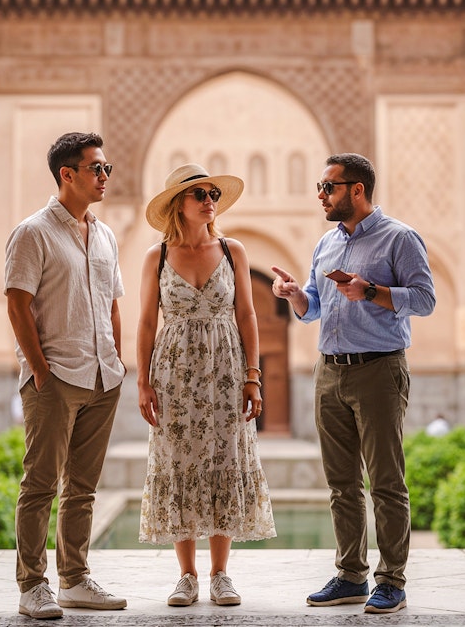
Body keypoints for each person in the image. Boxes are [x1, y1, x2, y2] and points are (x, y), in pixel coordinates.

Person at [271, 153, 435, 614]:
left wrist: (371, 292)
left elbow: (425, 299)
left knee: (385, 481)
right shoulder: (326, 244)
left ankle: (392, 581)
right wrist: (294, 297)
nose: (320, 195)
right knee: (341, 482)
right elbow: (316, 308)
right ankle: (350, 576)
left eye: (328, 187)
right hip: (329, 371)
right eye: (320, 188)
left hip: (378, 370)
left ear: (356, 190)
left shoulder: (398, 238)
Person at [136, 163, 276, 608]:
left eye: (212, 192)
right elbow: (145, 321)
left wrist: (253, 377)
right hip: (174, 374)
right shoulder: (155, 256)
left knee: (224, 459)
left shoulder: (233, 250)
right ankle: (187, 576)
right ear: (179, 203)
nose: (209, 199)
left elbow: (248, 316)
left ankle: (220, 574)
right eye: (199, 193)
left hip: (226, 371)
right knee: (178, 462)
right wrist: (142, 380)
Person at [4, 131, 127, 619]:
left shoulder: (105, 234)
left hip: (103, 378)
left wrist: (115, 360)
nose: (104, 177)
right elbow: (17, 303)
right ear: (67, 174)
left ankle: (74, 579)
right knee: (40, 485)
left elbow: (113, 302)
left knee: (83, 487)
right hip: (56, 378)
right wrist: (39, 370)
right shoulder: (32, 232)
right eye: (96, 168)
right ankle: (32, 585)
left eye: (106, 168)